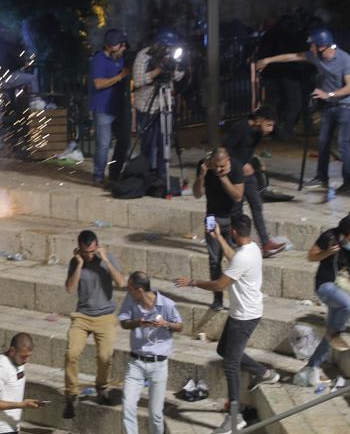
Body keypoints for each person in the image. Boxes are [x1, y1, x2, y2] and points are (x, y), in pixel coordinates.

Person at [175, 215, 279, 434]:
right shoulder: (253, 248)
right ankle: (264, 373)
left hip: (244, 317)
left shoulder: (243, 257)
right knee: (223, 350)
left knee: (230, 364)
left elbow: (219, 285)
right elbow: (234, 258)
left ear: (233, 231)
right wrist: (219, 238)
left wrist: (192, 282)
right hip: (243, 312)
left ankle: (234, 417)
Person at [256, 27, 350, 191]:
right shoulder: (315, 56)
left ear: (322, 46)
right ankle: (322, 177)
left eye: (313, 45)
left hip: (346, 105)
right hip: (329, 105)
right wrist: (267, 60)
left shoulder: (344, 59)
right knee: (323, 141)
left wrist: (328, 94)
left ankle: (349, 181)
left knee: (343, 142)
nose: (310, 48)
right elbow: (292, 56)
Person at [117, 272, 182, 434]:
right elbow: (123, 322)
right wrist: (139, 322)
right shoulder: (131, 300)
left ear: (139, 290)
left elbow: (179, 326)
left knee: (155, 411)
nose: (128, 291)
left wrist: (166, 324)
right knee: (128, 406)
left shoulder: (166, 304)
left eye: (130, 288)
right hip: (136, 363)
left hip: (158, 364)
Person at [63, 230, 125, 416]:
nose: (89, 255)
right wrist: (79, 265)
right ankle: (71, 394)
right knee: (71, 353)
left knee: (105, 356)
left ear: (97, 246)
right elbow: (70, 289)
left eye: (92, 251)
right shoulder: (76, 262)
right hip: (82, 316)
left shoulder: (108, 259)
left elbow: (121, 283)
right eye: (85, 252)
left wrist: (105, 260)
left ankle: (102, 387)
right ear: (79, 249)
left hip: (105, 316)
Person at [301, 215, 350, 383]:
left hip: (342, 287)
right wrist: (328, 252)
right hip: (325, 286)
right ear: (342, 235)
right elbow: (311, 256)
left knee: (332, 333)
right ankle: (334, 334)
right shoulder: (329, 237)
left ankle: (311, 367)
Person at [224, 107, 284, 257]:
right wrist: (241, 165)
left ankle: (266, 243)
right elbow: (227, 149)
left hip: (248, 174)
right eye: (268, 125)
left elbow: (247, 151)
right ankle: (236, 241)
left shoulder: (257, 133)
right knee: (236, 209)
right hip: (236, 174)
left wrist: (254, 162)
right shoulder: (241, 127)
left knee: (256, 205)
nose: (270, 129)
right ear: (260, 120)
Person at [193, 148, 245, 312]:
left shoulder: (236, 167)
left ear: (228, 160)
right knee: (214, 260)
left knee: (236, 259)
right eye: (215, 166)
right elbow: (196, 194)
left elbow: (238, 196)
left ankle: (240, 297)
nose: (218, 169)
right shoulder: (204, 166)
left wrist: (223, 177)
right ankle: (217, 298)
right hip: (211, 217)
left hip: (233, 217)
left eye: (222, 166)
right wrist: (201, 176)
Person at [132, 29, 186, 180]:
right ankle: (147, 175)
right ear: (158, 44)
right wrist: (156, 71)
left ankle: (162, 176)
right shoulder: (144, 56)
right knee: (148, 143)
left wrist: (176, 67)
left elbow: (178, 77)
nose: (169, 49)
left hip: (165, 104)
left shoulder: (172, 56)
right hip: (146, 105)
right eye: (167, 46)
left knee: (164, 142)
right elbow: (138, 80)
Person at [89, 28, 131, 185]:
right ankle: (98, 176)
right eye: (121, 45)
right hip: (103, 109)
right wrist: (119, 77)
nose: (123, 49)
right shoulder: (98, 60)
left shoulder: (118, 58)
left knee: (124, 141)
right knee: (104, 144)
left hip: (118, 107)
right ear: (111, 45)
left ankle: (114, 173)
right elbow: (98, 84)